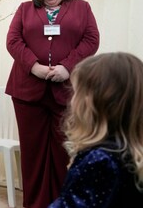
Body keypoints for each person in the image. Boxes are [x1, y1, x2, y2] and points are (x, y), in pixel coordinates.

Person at [5, 0, 100, 208]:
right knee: (32, 153)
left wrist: (67, 67)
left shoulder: (82, 7)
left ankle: (65, 203)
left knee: (65, 152)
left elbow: (91, 40)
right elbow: (13, 41)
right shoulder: (24, 10)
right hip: (27, 93)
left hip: (68, 92)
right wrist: (33, 66)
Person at [49, 52, 143, 207]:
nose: (71, 100)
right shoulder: (133, 156)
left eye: (76, 92)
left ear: (92, 104)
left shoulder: (99, 160)